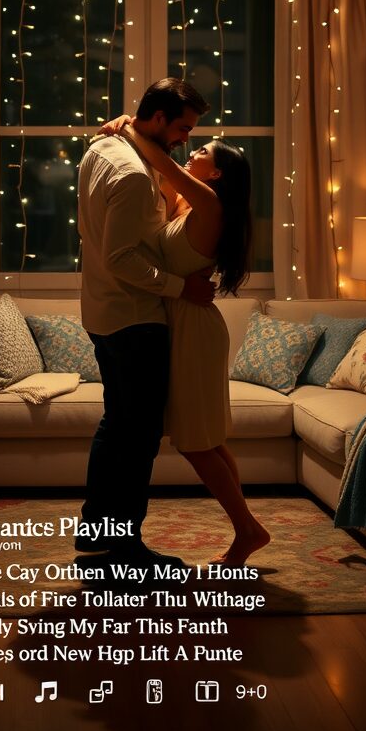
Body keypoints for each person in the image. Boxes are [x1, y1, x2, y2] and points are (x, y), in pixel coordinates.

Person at [101, 116, 271, 566]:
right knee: (208, 440)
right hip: (183, 318)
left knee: (196, 442)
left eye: (201, 153)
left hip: (193, 327)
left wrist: (129, 127)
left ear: (215, 173)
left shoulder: (210, 204)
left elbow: (161, 160)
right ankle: (248, 528)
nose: (190, 152)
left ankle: (247, 531)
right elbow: (158, 172)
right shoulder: (184, 203)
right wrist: (131, 129)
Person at [76, 78, 214, 565]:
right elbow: (121, 258)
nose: (185, 139)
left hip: (101, 311)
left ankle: (96, 531)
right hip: (134, 318)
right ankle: (126, 549)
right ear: (155, 119)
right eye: (181, 128)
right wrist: (183, 288)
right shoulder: (133, 174)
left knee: (117, 426)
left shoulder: (102, 147)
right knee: (138, 440)